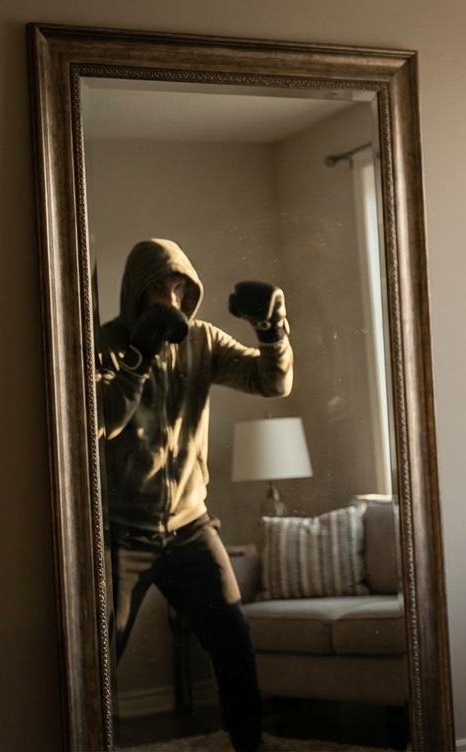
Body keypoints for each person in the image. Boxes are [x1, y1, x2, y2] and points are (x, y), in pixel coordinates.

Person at [96, 237, 293, 752]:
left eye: (178, 286)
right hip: (124, 534)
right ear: (137, 291)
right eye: (158, 286)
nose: (170, 297)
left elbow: (270, 382)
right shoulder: (105, 345)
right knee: (95, 654)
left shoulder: (202, 339)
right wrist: (138, 357)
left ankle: (249, 744)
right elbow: (98, 422)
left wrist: (272, 332)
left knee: (232, 638)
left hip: (190, 526)